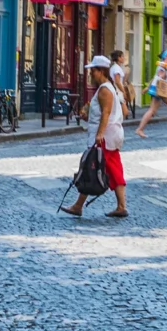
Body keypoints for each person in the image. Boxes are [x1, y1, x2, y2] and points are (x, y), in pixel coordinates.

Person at [62, 59, 129, 219]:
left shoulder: (105, 90)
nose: (91, 73)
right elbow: (102, 114)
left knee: (90, 168)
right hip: (111, 135)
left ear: (101, 71)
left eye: (93, 70)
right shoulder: (106, 88)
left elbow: (106, 113)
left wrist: (99, 134)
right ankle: (121, 206)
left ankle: (78, 206)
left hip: (105, 137)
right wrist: (88, 117)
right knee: (113, 169)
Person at [135, 48, 167, 136]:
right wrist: (164, 74)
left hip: (161, 90)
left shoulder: (164, 65)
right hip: (161, 90)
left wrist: (148, 87)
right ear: (166, 56)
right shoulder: (163, 65)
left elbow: (155, 77)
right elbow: (159, 76)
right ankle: (139, 129)